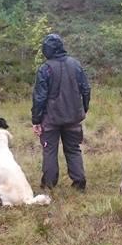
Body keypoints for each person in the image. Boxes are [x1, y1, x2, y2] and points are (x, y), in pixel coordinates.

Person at [31, 33, 91, 191]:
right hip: (73, 117)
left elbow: (39, 97)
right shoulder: (75, 64)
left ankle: (49, 185)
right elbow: (86, 89)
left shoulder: (45, 69)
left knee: (49, 150)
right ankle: (79, 183)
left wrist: (36, 120)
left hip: (50, 119)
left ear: (46, 50)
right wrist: (83, 109)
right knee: (73, 149)